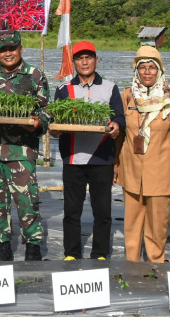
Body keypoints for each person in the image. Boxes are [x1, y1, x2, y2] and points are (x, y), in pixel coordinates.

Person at [0, 31, 50, 261]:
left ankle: (33, 246)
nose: (8, 53)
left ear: (21, 49)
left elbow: (45, 112)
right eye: (3, 49)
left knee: (27, 200)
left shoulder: (35, 75)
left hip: (22, 151)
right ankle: (2, 246)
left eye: (12, 48)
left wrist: (36, 124)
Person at [52, 40, 125, 261]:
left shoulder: (110, 87)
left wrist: (117, 126)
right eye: (80, 58)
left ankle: (100, 253)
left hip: (102, 157)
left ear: (96, 60)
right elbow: (57, 120)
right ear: (74, 62)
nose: (85, 62)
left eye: (89, 57)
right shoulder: (64, 89)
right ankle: (71, 253)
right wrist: (55, 130)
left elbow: (119, 116)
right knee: (72, 210)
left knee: (102, 210)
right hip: (73, 158)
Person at [116, 46, 170, 263]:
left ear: (159, 71)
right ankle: (132, 264)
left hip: (160, 171)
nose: (147, 72)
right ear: (137, 71)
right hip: (132, 171)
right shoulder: (128, 95)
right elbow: (121, 135)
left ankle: (156, 264)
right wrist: (116, 165)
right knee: (132, 223)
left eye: (152, 68)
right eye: (143, 68)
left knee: (157, 224)